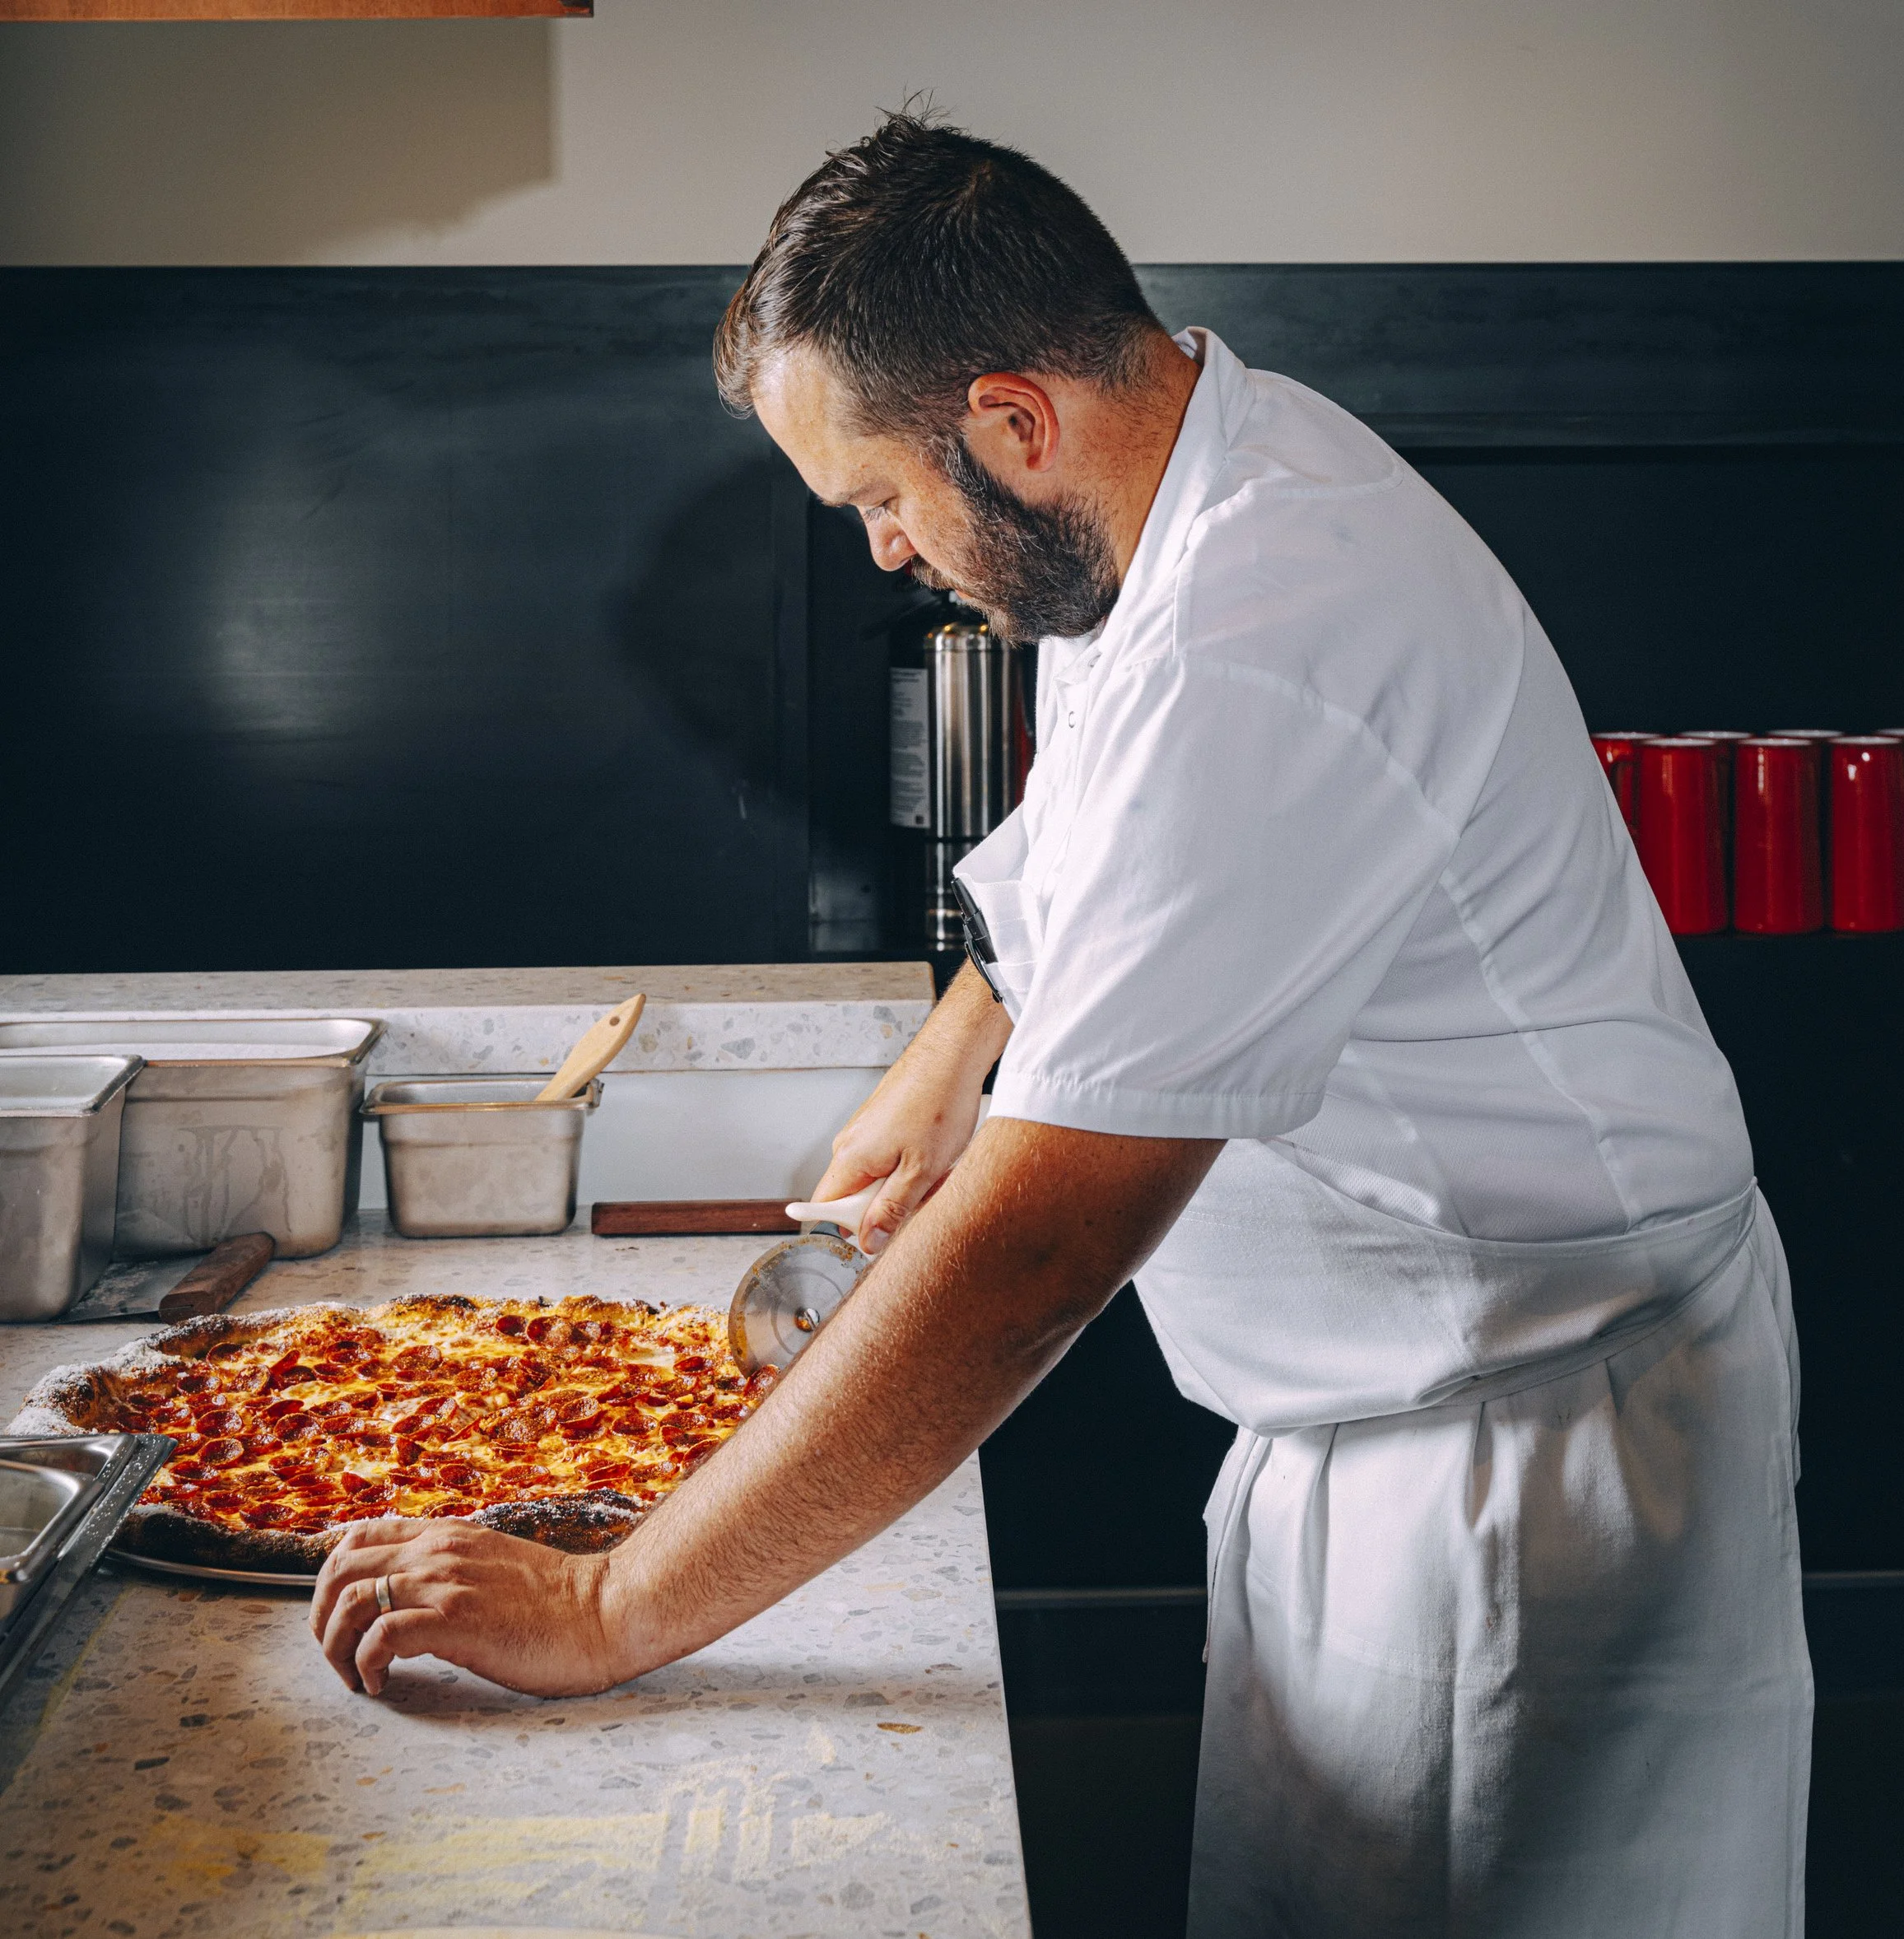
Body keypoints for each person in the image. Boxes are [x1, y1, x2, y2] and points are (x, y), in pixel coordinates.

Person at [314, 113, 1812, 1936]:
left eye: (877, 496)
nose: (876, 549)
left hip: (1522, 1460)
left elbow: (1032, 1261)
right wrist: (958, 1055)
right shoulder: (1182, 471)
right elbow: (1101, 849)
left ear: (1011, 419)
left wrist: (610, 1605)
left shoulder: (1261, 632)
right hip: (1377, 1414)